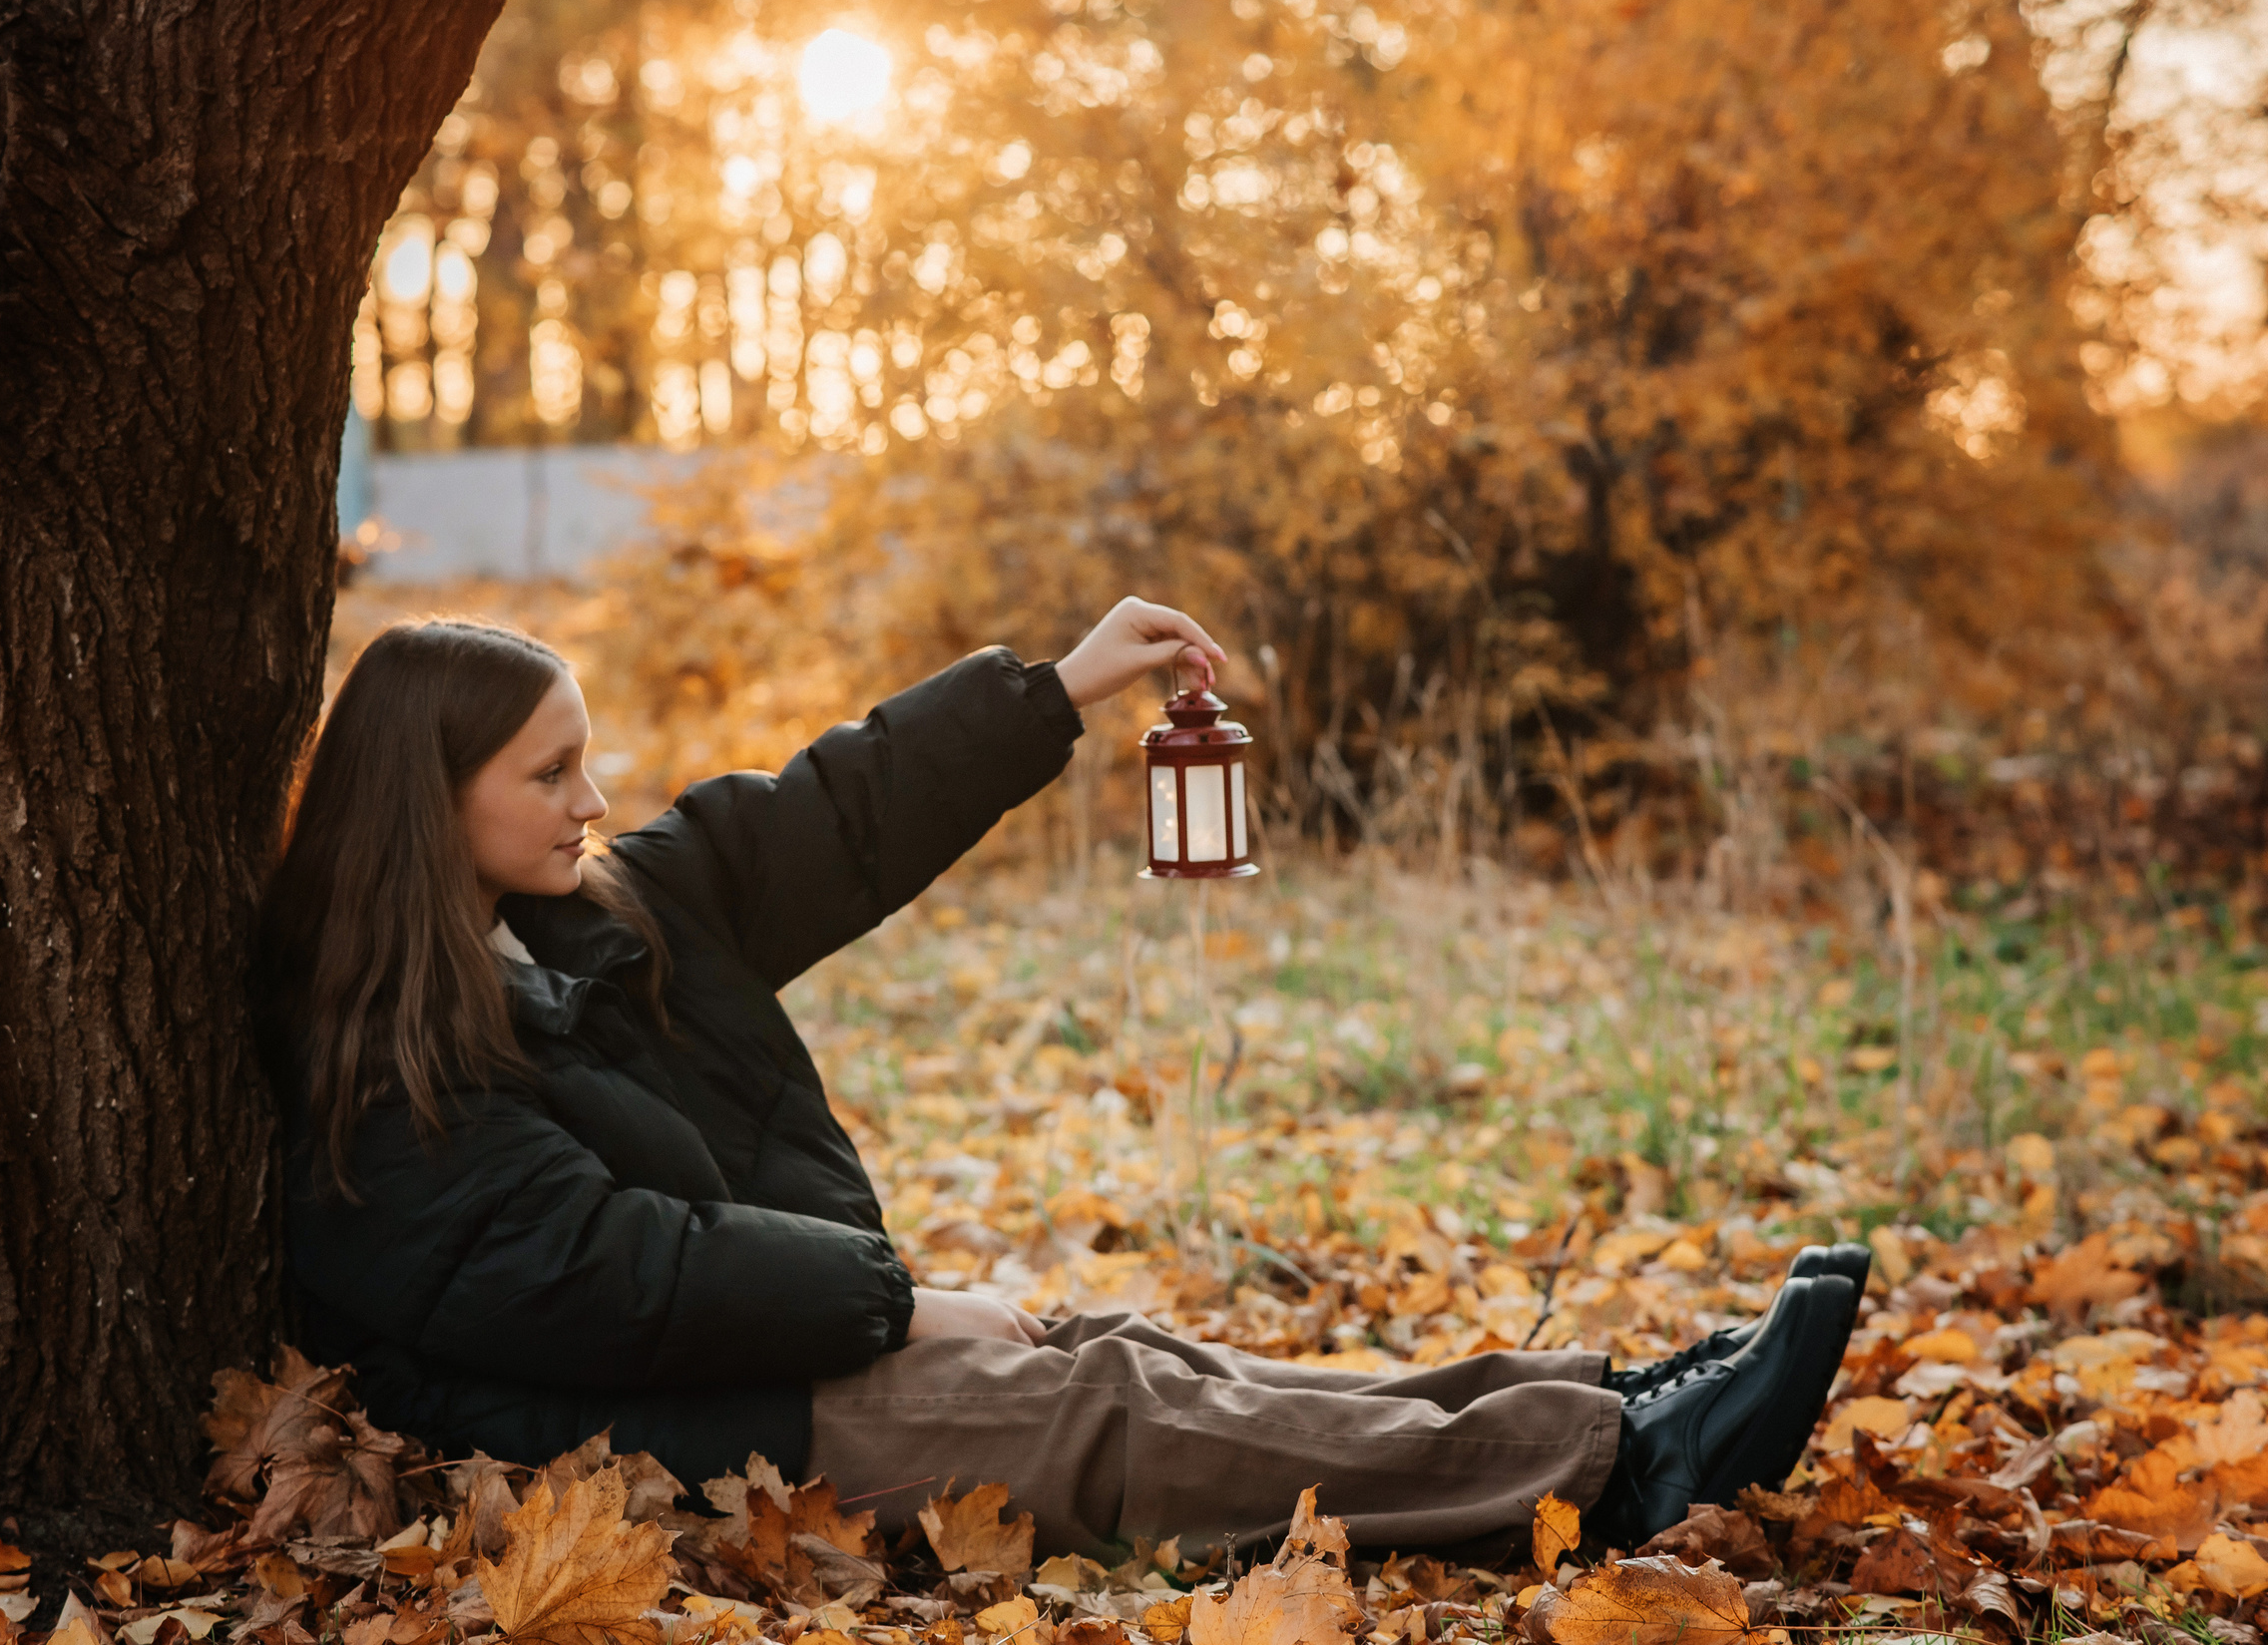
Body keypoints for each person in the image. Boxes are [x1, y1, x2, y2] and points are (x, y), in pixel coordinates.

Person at [250, 599, 1862, 1558]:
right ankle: (1629, 1472)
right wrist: (889, 1303)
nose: (594, 795)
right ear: (424, 800)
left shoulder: (596, 910)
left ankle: (1588, 1406)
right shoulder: (381, 1056)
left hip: (751, 1357)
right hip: (646, 1438)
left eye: (585, 754)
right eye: (549, 771)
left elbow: (833, 812)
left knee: (1119, 1343)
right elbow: (599, 1273)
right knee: (1095, 1401)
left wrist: (1061, 686)